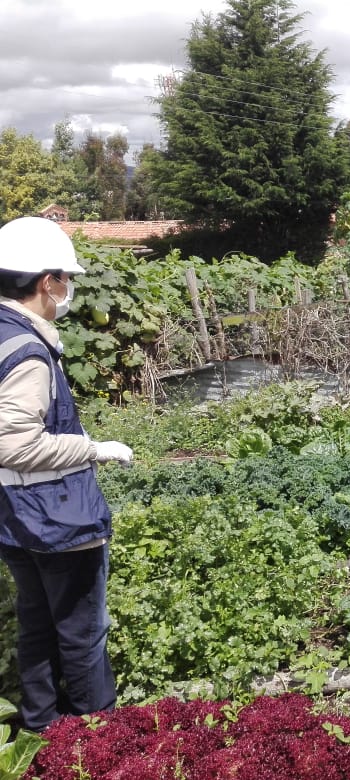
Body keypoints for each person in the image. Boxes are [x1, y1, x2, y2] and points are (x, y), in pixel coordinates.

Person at [0, 216, 133, 733]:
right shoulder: (27, 351)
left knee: (35, 627)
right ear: (43, 282)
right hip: (58, 520)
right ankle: (94, 740)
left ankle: (39, 732)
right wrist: (92, 448)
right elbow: (13, 441)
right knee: (82, 634)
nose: (66, 288)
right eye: (62, 277)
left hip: (14, 518)